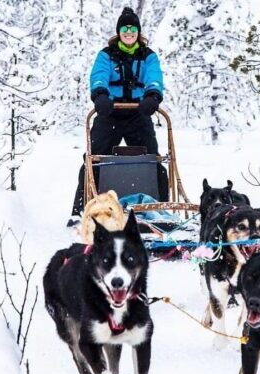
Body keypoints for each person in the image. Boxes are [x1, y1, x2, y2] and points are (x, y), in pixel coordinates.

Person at [68, 7, 166, 227]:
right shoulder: (106, 54)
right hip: (109, 114)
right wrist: (100, 94)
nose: (129, 32)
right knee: (93, 159)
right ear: (119, 31)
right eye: (125, 28)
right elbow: (98, 76)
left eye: (132, 28)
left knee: (153, 160)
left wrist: (152, 95)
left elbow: (154, 77)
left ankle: (161, 209)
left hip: (138, 114)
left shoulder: (148, 56)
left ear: (138, 32)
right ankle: (79, 211)